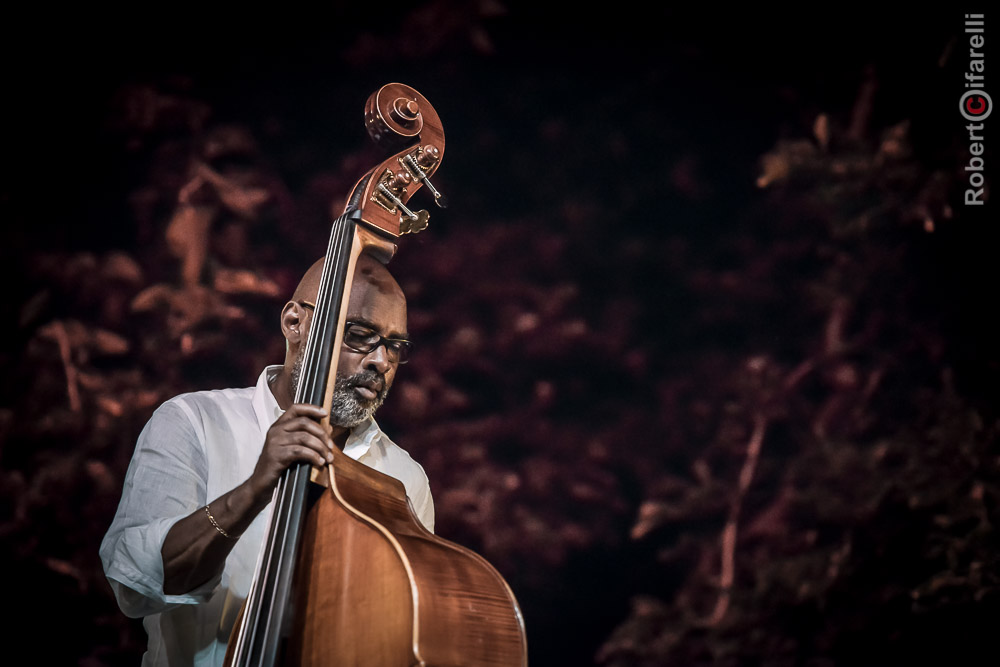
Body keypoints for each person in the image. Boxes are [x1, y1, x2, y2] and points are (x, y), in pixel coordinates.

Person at [100, 255, 434, 667]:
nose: (380, 362)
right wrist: (256, 487)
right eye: (360, 335)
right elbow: (136, 585)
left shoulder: (404, 478)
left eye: (395, 347)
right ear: (295, 323)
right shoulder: (194, 421)